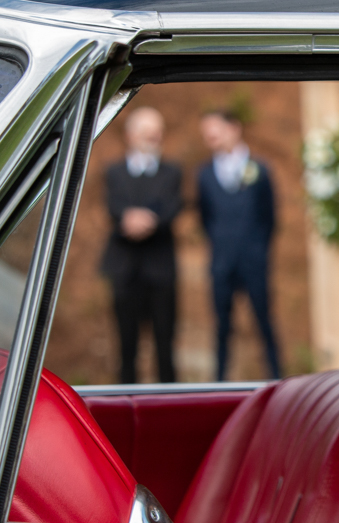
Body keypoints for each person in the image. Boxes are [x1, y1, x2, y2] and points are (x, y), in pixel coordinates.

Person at [197, 109, 280, 381]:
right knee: (222, 326)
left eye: (216, 131)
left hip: (253, 261)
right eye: (207, 134)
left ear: (234, 128)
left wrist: (258, 250)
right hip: (222, 262)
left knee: (264, 322)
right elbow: (205, 217)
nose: (212, 138)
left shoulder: (259, 169)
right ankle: (219, 382)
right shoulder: (205, 175)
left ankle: (276, 376)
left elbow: (269, 217)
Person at [100, 106, 182, 384]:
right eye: (147, 132)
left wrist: (147, 221)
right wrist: (129, 219)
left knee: (165, 344)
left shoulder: (172, 172)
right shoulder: (114, 172)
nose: (153, 137)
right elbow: (113, 206)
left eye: (157, 132)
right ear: (130, 135)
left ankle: (168, 399)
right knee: (126, 345)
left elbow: (171, 207)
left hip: (160, 269)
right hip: (125, 269)